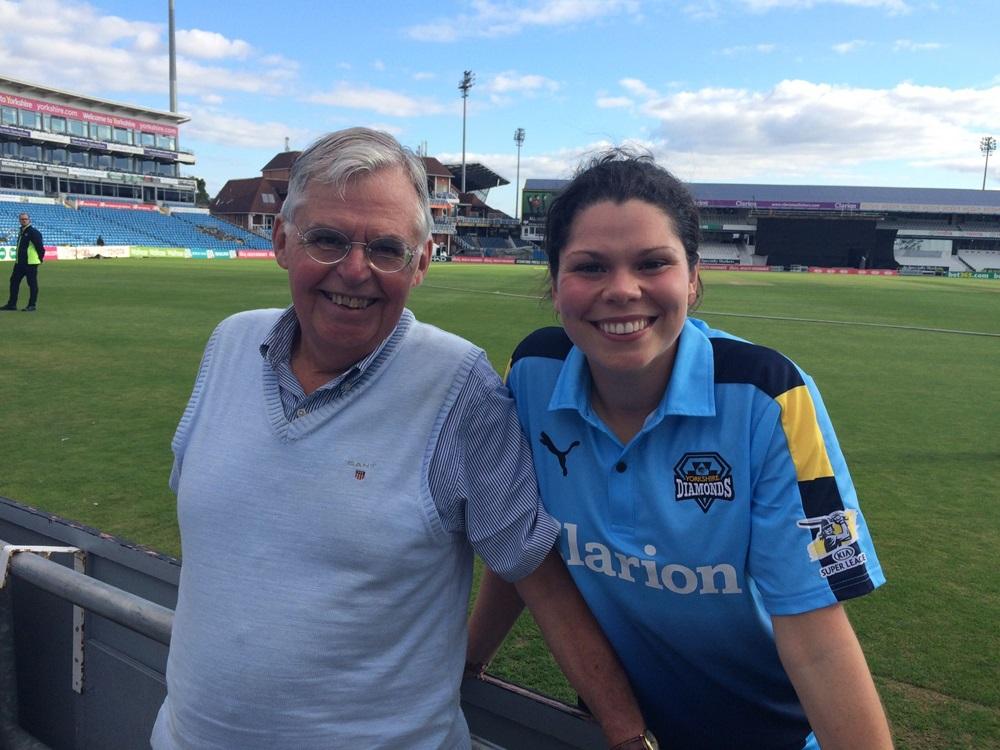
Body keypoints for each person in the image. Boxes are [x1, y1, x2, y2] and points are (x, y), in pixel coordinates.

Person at [151, 128, 650, 750]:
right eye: (327, 239)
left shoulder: (459, 385)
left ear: (421, 263)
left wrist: (631, 737)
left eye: (386, 249)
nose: (354, 271)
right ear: (281, 240)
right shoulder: (229, 344)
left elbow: (533, 571)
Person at [468, 150, 893, 750]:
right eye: (590, 266)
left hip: (769, 733)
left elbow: (815, 633)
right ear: (555, 279)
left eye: (652, 263)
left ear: (693, 278)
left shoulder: (770, 398)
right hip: (615, 725)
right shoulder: (531, 374)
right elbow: (524, 551)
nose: (621, 290)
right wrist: (465, 665)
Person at [2, 213, 44, 312]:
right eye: (22, 219)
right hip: (20, 263)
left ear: (29, 220)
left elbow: (40, 248)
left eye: (25, 219)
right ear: (19, 220)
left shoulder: (34, 232)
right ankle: (12, 304)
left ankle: (32, 305)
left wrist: (40, 259)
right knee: (14, 282)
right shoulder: (21, 231)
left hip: (30, 263)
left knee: (32, 284)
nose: (24, 220)